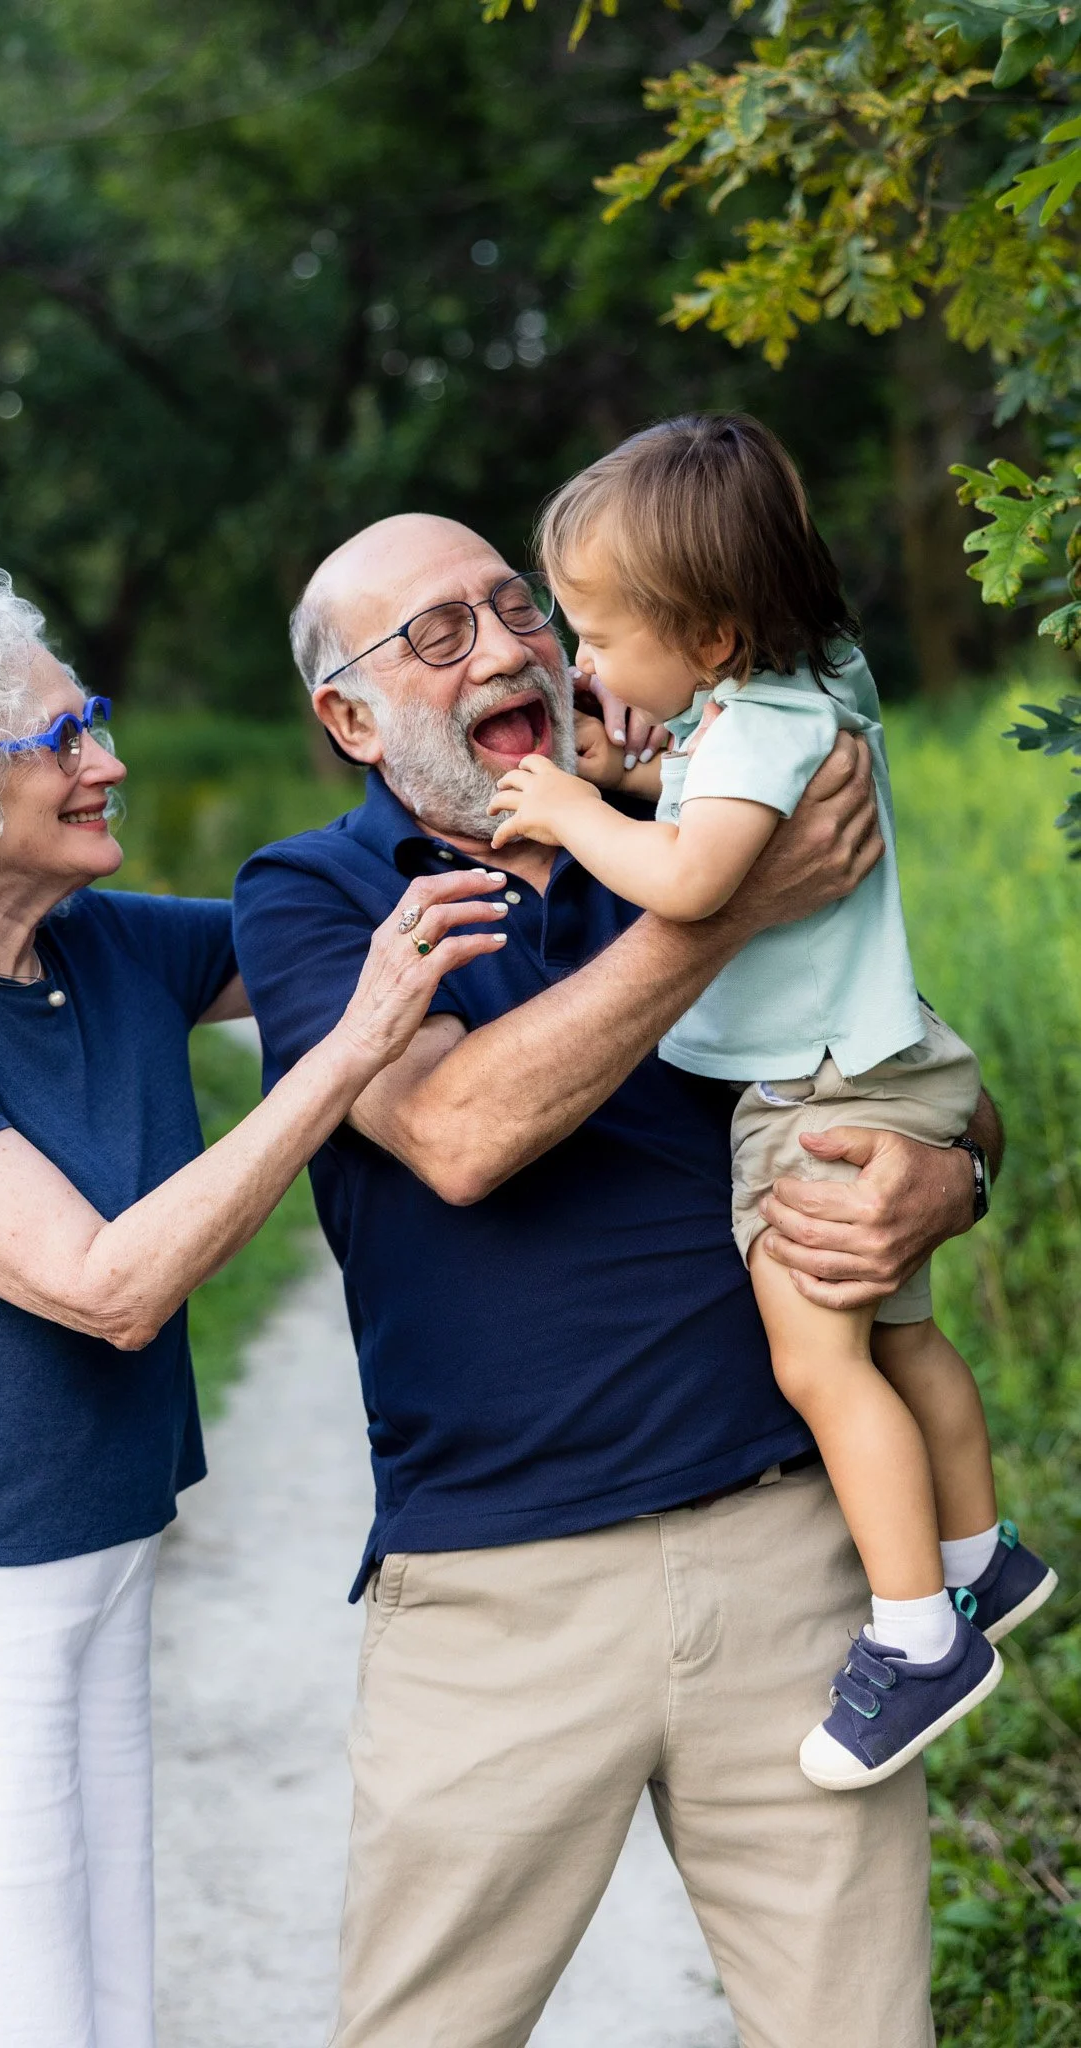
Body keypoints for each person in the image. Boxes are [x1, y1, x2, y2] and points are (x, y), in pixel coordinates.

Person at [232, 511, 1005, 2048]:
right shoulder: (313, 899)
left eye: (513, 607)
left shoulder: (710, 791)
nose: (508, 647)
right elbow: (454, 1134)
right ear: (350, 718)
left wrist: (953, 1177)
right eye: (436, 636)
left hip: (793, 1558)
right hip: (497, 1592)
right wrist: (720, 911)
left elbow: (918, 1072)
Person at [0, 569, 506, 2048]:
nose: (110, 758)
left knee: (92, 2007)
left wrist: (532, 774)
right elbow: (110, 1290)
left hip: (89, 1551)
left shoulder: (102, 945)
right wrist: (339, 1061)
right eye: (64, 735)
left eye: (92, 718)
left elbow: (330, 921)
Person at [489, 415, 1056, 1791]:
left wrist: (569, 807)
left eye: (601, 635)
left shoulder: (754, 727)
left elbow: (688, 879)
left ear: (717, 636)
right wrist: (627, 766)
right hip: (887, 1059)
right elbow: (693, 788)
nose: (580, 664)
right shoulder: (812, 687)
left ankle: (920, 1640)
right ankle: (984, 1558)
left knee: (819, 1366)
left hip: (811, 1091)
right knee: (903, 1339)